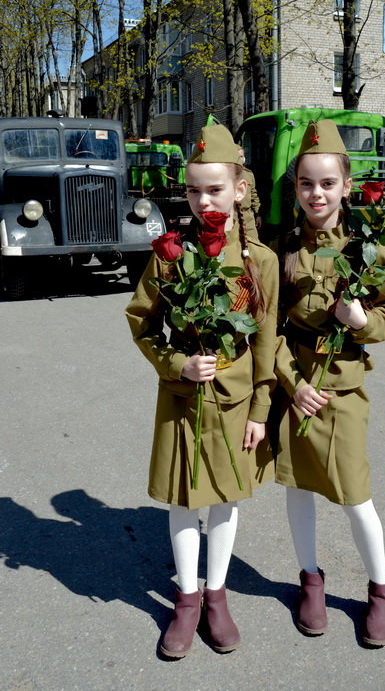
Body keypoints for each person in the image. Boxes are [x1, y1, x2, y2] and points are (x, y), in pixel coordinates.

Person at [125, 124, 278, 658]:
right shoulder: (170, 254)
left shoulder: (261, 262)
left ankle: (217, 596)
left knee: (227, 497)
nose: (202, 200)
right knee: (183, 499)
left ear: (239, 190)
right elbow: (142, 323)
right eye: (193, 190)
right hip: (183, 396)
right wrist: (176, 364)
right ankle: (187, 600)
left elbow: (265, 340)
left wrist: (261, 408)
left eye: (214, 189)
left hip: (236, 401)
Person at [272, 119, 385, 647]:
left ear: (346, 185)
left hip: (343, 389)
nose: (316, 193)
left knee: (354, 494)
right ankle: (311, 583)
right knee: (298, 487)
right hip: (298, 388)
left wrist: (359, 321)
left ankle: (380, 590)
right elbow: (268, 330)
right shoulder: (281, 252)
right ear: (295, 188)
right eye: (306, 183)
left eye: (327, 183)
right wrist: (292, 382)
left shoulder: (364, 250)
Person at [238, 146, 262, 238]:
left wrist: (257, 214)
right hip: (233, 216)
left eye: (242, 156)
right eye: (239, 156)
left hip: (248, 217)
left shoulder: (248, 174)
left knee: (254, 244)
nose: (241, 159)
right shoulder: (226, 174)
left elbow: (253, 195)